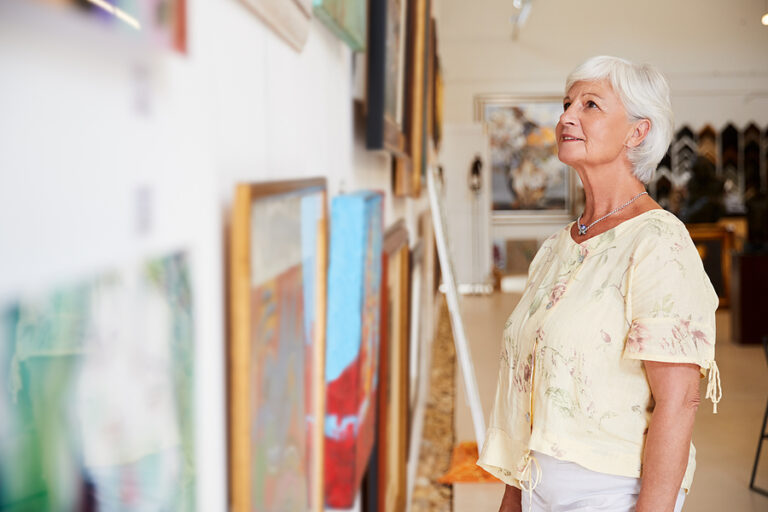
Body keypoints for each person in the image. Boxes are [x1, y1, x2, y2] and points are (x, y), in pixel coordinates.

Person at [477, 56, 722, 512]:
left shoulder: (658, 241)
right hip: (536, 489)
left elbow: (680, 400)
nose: (567, 115)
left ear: (637, 132)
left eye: (591, 104)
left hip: (609, 495)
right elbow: (532, 395)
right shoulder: (555, 248)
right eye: (567, 103)